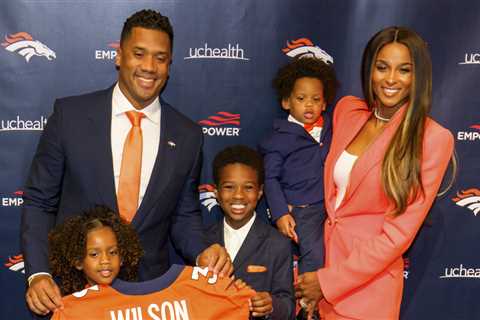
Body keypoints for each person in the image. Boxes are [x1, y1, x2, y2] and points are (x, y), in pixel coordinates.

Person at [21, 9, 232, 316]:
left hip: (149, 298)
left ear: (169, 65)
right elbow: (40, 202)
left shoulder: (187, 135)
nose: (149, 67)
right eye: (139, 53)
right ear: (119, 56)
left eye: (160, 57)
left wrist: (202, 253)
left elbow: (184, 214)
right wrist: (38, 273)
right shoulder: (70, 117)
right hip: (74, 296)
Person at [295, 26, 456, 320]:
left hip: (366, 295)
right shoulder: (348, 111)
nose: (391, 79)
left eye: (404, 70)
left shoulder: (432, 138)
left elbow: (397, 236)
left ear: (418, 76)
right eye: (382, 67)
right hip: (318, 281)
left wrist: (329, 282)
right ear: (370, 69)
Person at [258, 57, 337, 275]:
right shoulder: (278, 139)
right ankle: (306, 305)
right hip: (303, 211)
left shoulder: (331, 126)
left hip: (332, 208)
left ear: (324, 103)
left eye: (315, 99)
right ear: (286, 102)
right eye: (301, 98)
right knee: (313, 258)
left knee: (337, 256)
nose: (309, 104)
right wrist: (281, 213)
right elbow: (270, 179)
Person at [205, 145, 295, 319]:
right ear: (216, 191)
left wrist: (271, 305)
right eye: (229, 187)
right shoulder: (202, 242)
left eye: (248, 187)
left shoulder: (277, 243)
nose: (239, 195)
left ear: (260, 192)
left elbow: (288, 305)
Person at [48, 206, 143, 295]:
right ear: (78, 261)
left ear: (121, 257)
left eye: (113, 252)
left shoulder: (136, 299)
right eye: (94, 254)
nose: (105, 260)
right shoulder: (69, 307)